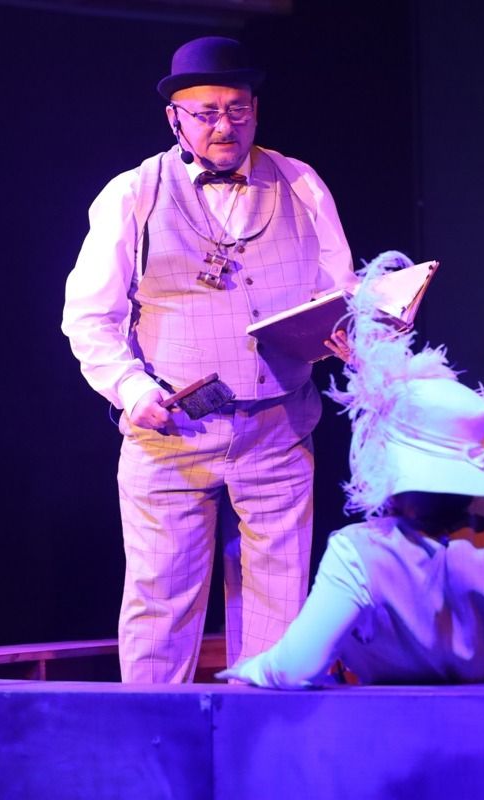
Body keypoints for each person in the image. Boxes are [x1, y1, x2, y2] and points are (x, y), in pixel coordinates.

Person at [62, 36, 354, 683]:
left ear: (255, 109)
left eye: (238, 110)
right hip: (173, 433)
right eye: (207, 113)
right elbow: (88, 316)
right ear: (175, 119)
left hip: (279, 429)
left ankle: (264, 742)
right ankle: (155, 744)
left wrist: (351, 332)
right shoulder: (133, 194)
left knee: (280, 614)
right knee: (160, 608)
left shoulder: (300, 182)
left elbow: (339, 290)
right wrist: (132, 390)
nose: (225, 126)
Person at [216, 255, 484, 688]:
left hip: (391, 733)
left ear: (389, 473)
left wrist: (246, 669)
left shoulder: (360, 554)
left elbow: (293, 669)